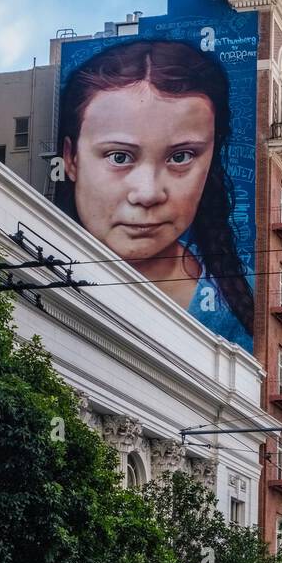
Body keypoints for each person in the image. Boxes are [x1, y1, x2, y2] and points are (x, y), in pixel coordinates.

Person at [55, 39, 255, 348]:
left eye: (180, 157)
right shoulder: (22, 266)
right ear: (71, 159)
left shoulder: (247, 304)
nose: (147, 194)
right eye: (119, 157)